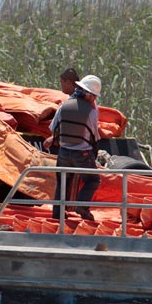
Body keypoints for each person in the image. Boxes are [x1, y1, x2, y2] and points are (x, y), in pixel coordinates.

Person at [44, 75, 102, 221]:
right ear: (88, 94)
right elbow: (94, 135)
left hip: (63, 152)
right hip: (81, 153)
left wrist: (57, 138)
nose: (94, 100)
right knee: (92, 180)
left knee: (63, 182)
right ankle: (81, 206)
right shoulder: (91, 111)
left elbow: (53, 127)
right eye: (94, 96)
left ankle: (57, 214)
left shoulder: (64, 106)